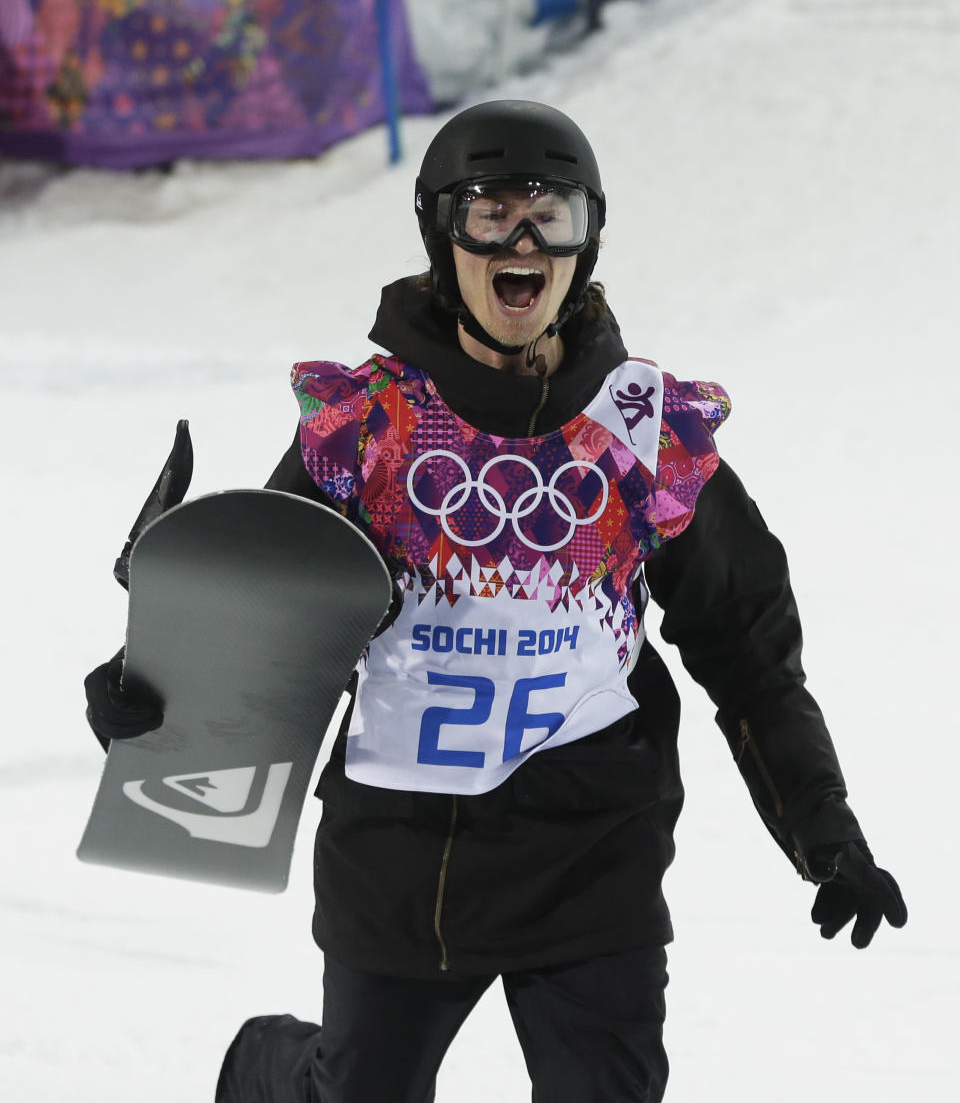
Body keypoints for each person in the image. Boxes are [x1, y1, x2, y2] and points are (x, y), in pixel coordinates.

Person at [84, 100, 907, 1103]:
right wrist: (150, 696)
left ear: (585, 238)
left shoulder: (644, 437)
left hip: (588, 842)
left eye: (549, 215)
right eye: (491, 214)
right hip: (403, 851)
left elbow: (748, 652)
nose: (522, 241)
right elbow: (255, 613)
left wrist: (826, 830)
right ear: (444, 233)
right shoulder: (370, 430)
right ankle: (273, 1074)